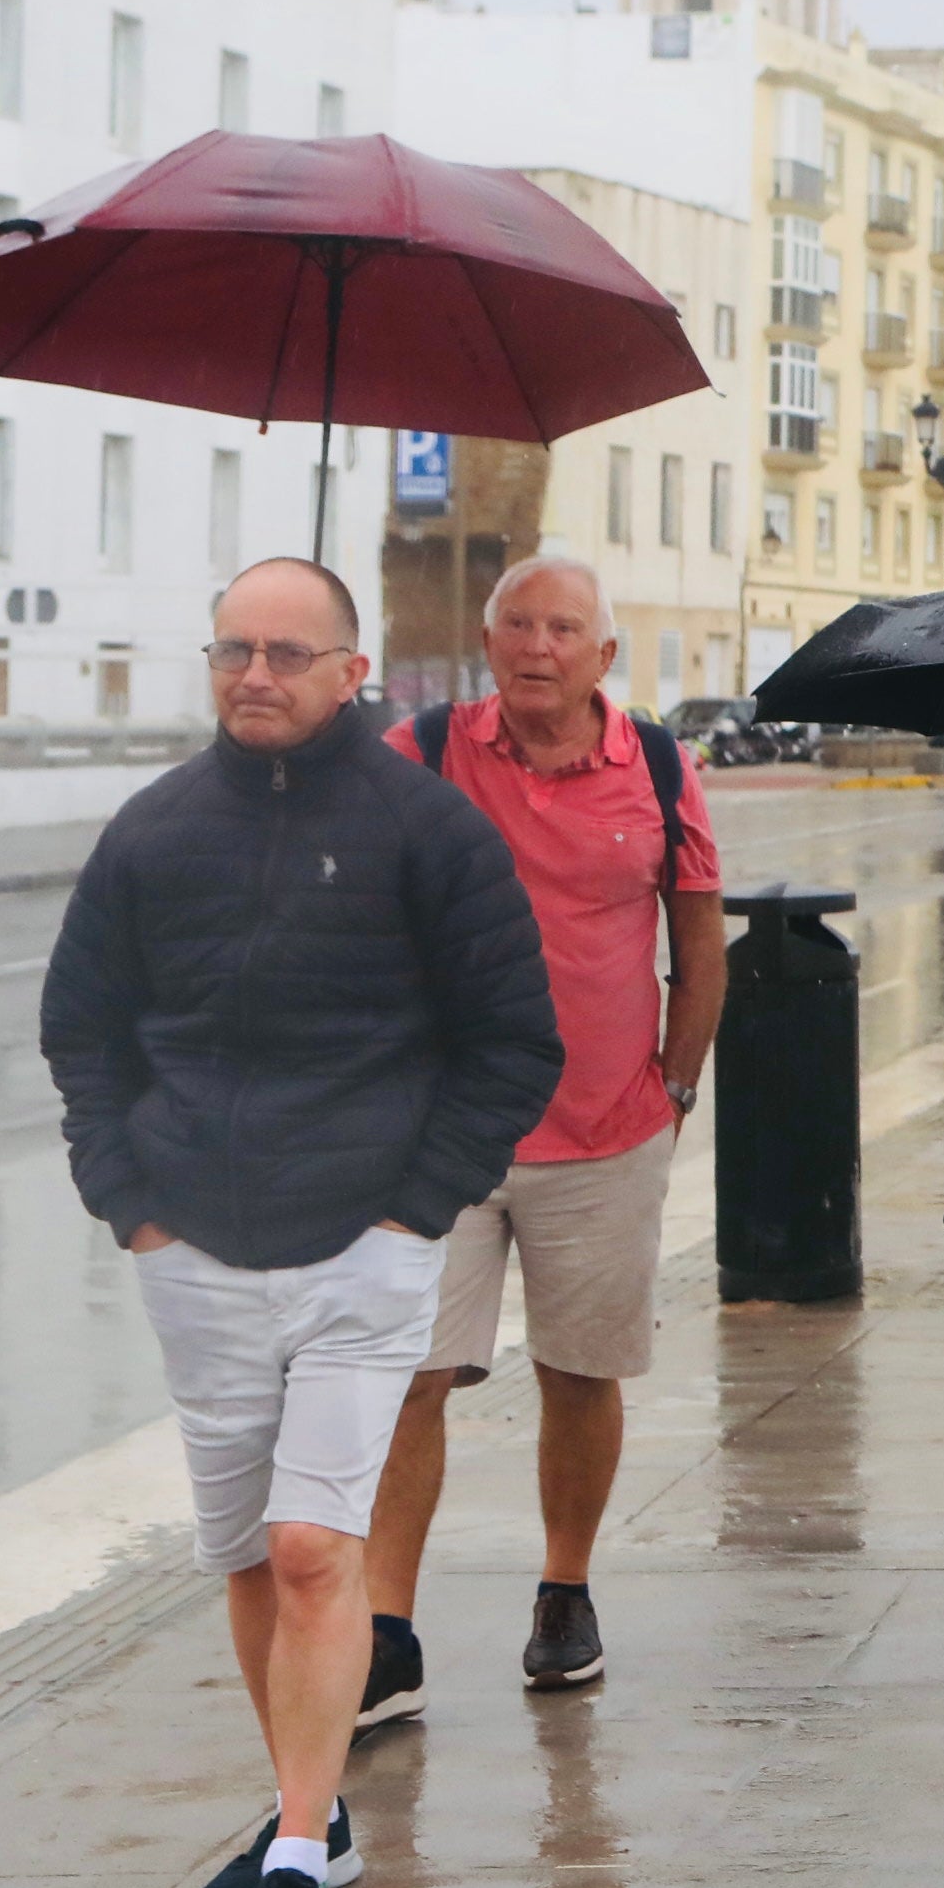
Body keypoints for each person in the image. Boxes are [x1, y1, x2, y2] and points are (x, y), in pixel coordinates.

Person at [39, 557, 561, 1888]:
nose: (256, 674)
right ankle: (306, 1814)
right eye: (235, 650)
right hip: (193, 1254)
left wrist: (414, 1208)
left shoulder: (428, 833)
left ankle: (291, 1853)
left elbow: (515, 1040)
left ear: (352, 672)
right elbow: (82, 1032)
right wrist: (130, 1204)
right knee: (251, 1560)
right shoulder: (153, 833)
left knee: (317, 1544)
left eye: (288, 652)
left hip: (365, 1250)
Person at [363, 556, 725, 1713]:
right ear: (488, 641)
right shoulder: (418, 758)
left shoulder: (662, 766)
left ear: (602, 656)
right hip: (441, 1139)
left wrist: (673, 1089)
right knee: (409, 1377)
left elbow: (701, 942)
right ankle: (383, 1629)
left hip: (607, 1132)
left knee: (580, 1371)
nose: (537, 644)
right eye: (517, 624)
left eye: (563, 627)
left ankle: (564, 1593)